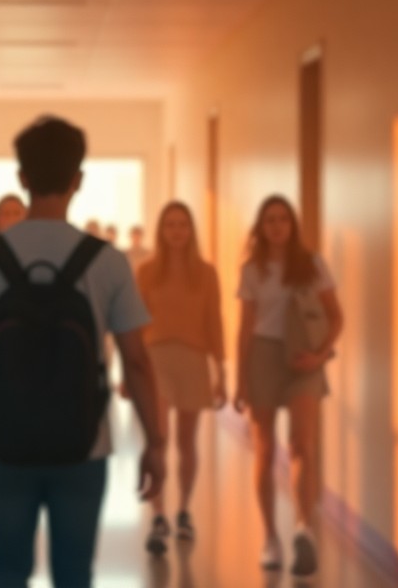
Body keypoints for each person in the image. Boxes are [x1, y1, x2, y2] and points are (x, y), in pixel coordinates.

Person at [0, 116, 166, 587]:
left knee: (6, 569)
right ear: (77, 180)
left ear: (21, 179)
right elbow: (138, 360)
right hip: (84, 443)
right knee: (74, 573)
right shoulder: (107, 261)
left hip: (2, 444)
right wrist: (157, 442)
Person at [234, 195, 344, 578]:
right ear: (261, 228)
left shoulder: (312, 264)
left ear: (292, 224)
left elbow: (335, 316)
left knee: (302, 444)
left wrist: (321, 355)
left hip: (304, 358)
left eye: (283, 219)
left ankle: (303, 528)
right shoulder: (252, 270)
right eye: (270, 220)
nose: (277, 226)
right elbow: (245, 328)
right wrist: (240, 379)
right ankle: (270, 537)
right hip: (263, 355)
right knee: (264, 448)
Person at [135, 202, 225, 556]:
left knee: (187, 441)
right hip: (155, 357)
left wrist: (222, 370)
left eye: (183, 225)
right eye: (170, 224)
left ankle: (184, 510)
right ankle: (158, 515)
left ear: (191, 231)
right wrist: (131, 370)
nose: (176, 231)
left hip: (193, 357)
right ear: (161, 230)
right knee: (158, 437)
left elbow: (214, 321)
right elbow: (134, 322)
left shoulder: (205, 273)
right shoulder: (146, 272)